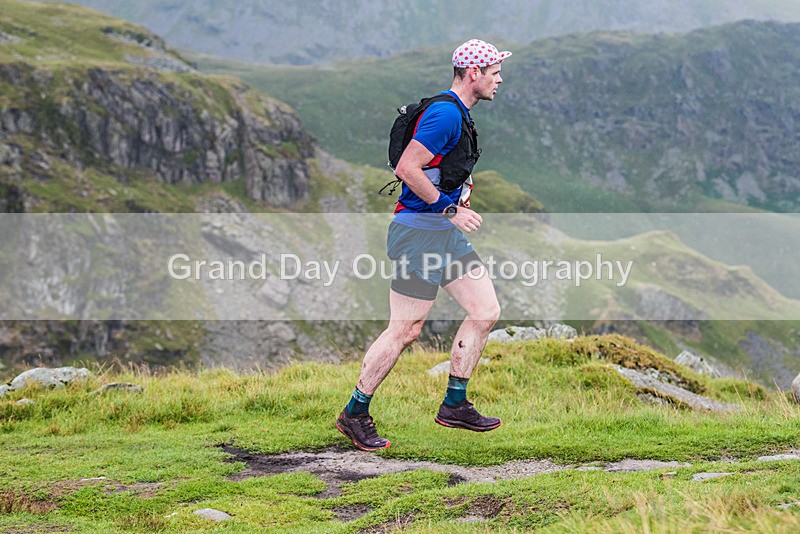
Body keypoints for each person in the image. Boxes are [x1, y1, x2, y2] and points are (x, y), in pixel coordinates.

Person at [336, 39, 511, 451]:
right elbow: (406, 168)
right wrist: (450, 210)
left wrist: (456, 196)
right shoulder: (446, 115)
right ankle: (354, 412)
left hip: (439, 233)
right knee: (406, 329)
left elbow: (434, 170)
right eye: (494, 72)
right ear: (473, 74)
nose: (499, 79)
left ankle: (454, 403)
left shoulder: (458, 115)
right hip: (417, 233)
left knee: (485, 310)